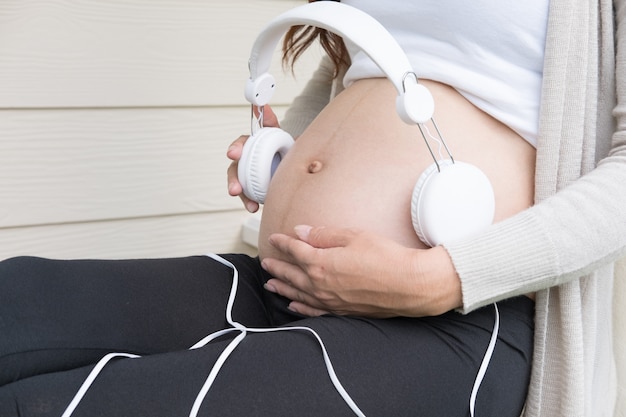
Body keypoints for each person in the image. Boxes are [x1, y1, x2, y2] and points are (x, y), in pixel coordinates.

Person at [0, 0, 623, 416]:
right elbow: (370, 74)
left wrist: (437, 278)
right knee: (17, 300)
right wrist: (289, 159)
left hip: (455, 321)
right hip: (288, 279)